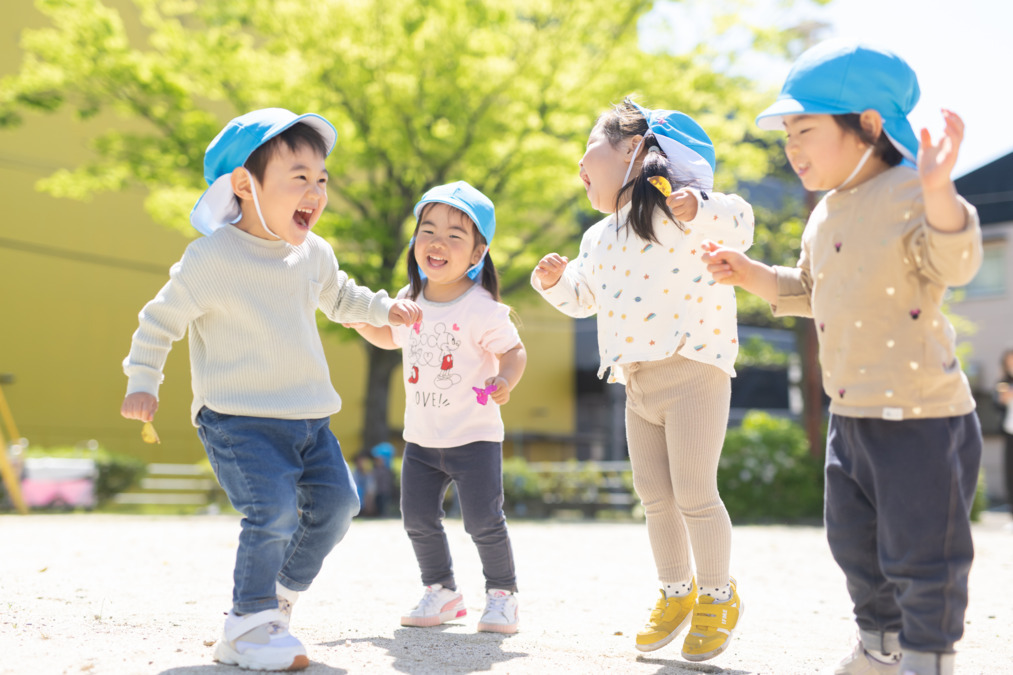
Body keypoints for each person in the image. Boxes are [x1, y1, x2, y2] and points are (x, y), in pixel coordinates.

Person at [701, 40, 983, 675]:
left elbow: (957, 262)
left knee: (922, 551)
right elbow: (809, 291)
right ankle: (881, 644)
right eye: (786, 136)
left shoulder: (915, 191)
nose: (792, 148)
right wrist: (750, 274)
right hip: (850, 417)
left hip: (921, 419)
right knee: (854, 546)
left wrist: (940, 189)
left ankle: (928, 656)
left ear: (869, 125)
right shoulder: (823, 213)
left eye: (806, 130)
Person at [120, 108, 422, 671]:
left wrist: (388, 308)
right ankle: (249, 622)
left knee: (338, 506)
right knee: (272, 510)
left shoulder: (314, 254)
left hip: (307, 416)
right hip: (237, 418)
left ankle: (274, 601)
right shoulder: (210, 258)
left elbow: (344, 298)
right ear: (244, 185)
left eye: (322, 179)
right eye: (298, 177)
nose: (316, 191)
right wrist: (144, 380)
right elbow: (158, 321)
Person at [532, 98, 754, 661]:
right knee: (655, 497)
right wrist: (554, 284)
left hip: (695, 368)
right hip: (637, 383)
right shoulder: (597, 238)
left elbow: (742, 225)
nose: (579, 166)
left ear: (633, 148)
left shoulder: (687, 213)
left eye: (589, 147)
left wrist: (699, 204)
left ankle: (718, 595)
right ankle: (677, 592)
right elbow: (583, 301)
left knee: (696, 493)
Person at [348, 181, 527, 634]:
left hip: (474, 436)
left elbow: (514, 351)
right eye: (427, 230)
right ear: (414, 243)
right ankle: (442, 592)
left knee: (484, 521)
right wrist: (359, 321)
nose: (437, 242)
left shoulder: (482, 307)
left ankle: (503, 596)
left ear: (477, 253)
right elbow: (390, 338)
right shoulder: (408, 301)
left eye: (454, 235)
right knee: (418, 520)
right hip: (422, 439)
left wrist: (504, 379)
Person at [994, 349, 1013, 525]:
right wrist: (1002, 400)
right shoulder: (1003, 383)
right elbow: (995, 406)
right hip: (1009, 432)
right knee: (1010, 473)